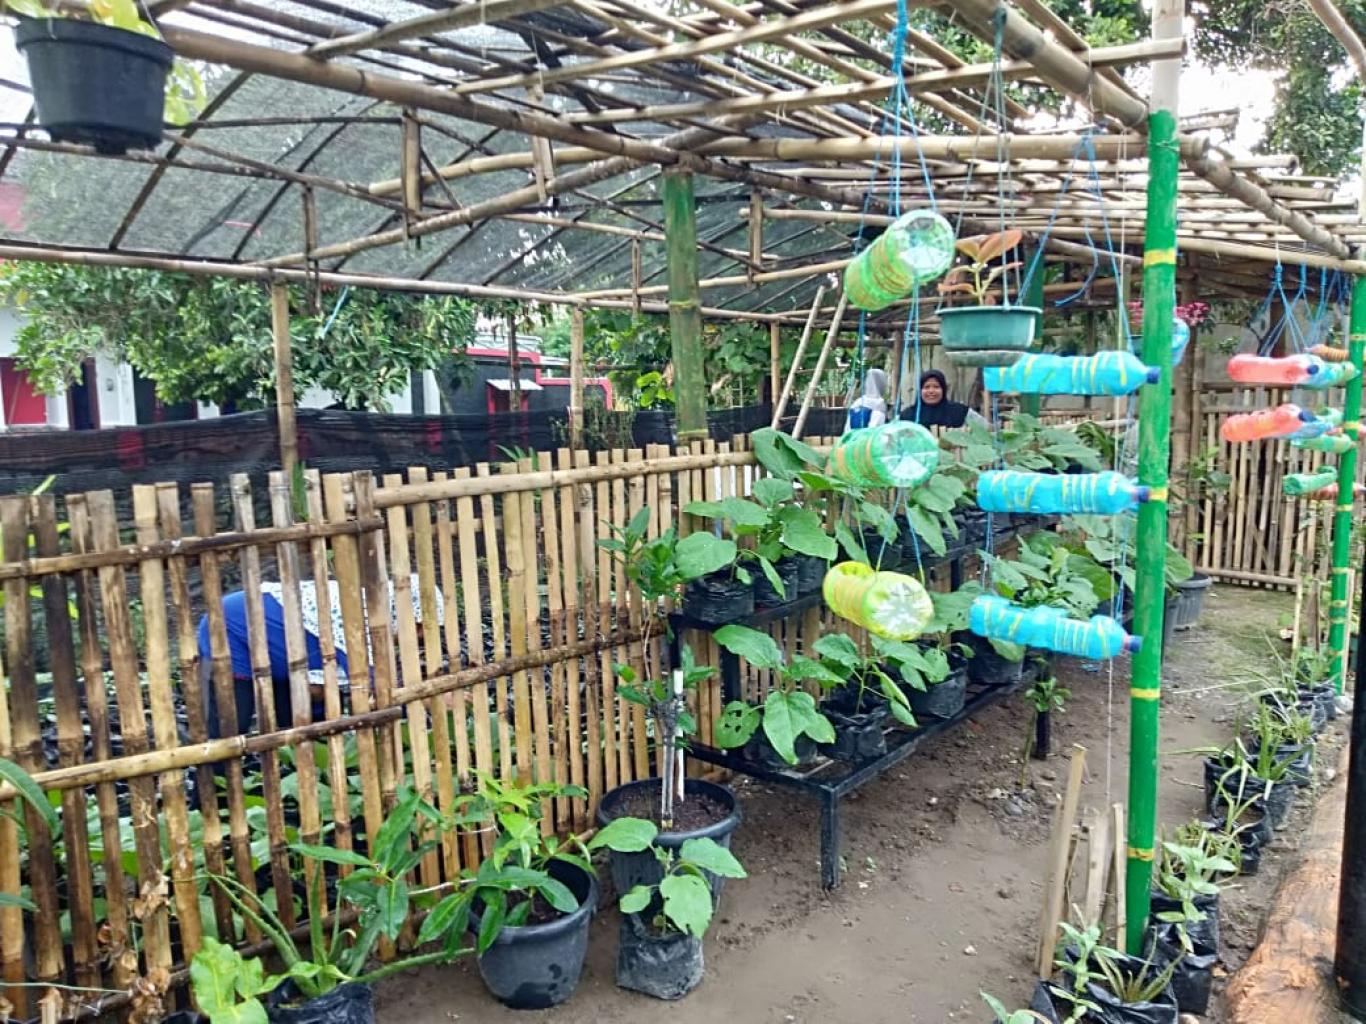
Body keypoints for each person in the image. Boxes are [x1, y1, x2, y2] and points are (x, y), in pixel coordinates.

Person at [196, 575, 443, 737]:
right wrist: (427, 703)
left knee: (301, 724)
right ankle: (212, 798)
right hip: (231, 628)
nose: (421, 636)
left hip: (284, 651)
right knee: (230, 727)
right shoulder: (360, 616)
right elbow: (375, 691)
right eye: (419, 626)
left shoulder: (377, 622)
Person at [903, 368, 985, 429]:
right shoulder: (907, 415)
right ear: (920, 391)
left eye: (936, 387)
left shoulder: (960, 412)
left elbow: (986, 429)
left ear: (944, 390)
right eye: (926, 387)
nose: (931, 391)